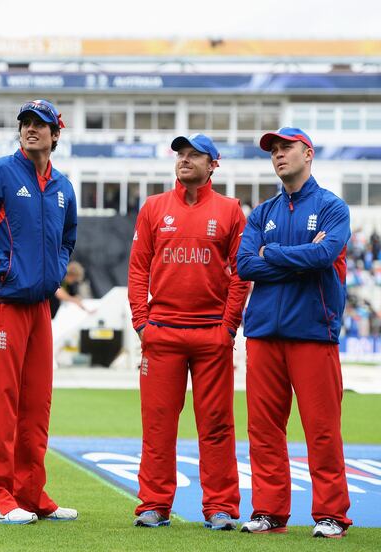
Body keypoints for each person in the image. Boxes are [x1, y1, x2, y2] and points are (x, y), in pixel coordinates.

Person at [0, 99, 78, 525]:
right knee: (2, 402)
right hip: (0, 303)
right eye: (25, 123)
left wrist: (56, 273)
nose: (31, 129)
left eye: (40, 124)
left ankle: (29, 494)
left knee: (36, 405)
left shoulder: (63, 186)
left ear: (55, 134)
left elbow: (68, 239)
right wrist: (6, 270)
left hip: (38, 308)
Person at [128, 134, 250, 530]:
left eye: (194, 154)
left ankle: (220, 507)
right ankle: (153, 504)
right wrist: (142, 322)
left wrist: (228, 326)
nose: (184, 160)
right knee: (158, 425)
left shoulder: (231, 210)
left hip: (211, 335)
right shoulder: (153, 207)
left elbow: (240, 274)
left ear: (213, 164)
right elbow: (137, 269)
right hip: (161, 334)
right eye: (180, 154)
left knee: (216, 425)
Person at [236, 127, 352, 538]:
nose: (279, 155)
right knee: (264, 429)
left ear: (309, 153)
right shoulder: (262, 213)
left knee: (321, 428)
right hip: (264, 332)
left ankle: (331, 514)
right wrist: (296, 259)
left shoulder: (333, 207)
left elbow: (324, 255)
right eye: (274, 150)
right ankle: (269, 511)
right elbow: (245, 264)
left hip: (312, 333)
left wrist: (273, 254)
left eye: (287, 148)